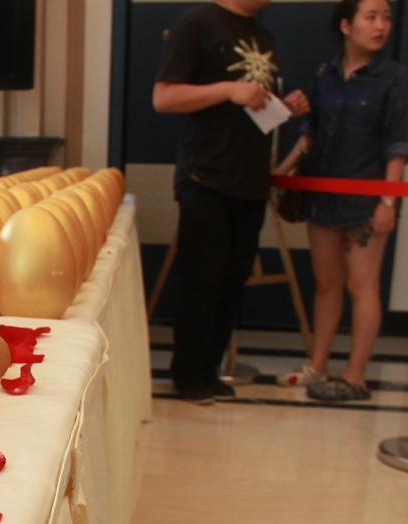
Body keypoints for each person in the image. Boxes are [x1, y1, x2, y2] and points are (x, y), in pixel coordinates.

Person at [153, 0, 310, 403]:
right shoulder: (196, 23)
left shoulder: (264, 34)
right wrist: (228, 89)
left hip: (251, 180)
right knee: (203, 280)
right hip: (206, 177)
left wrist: (283, 108)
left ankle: (209, 371)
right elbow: (164, 98)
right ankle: (188, 374)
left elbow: (253, 108)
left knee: (232, 282)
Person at [275, 0, 408, 401]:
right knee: (326, 282)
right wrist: (282, 171)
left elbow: (398, 144)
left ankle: (356, 375)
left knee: (362, 285)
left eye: (386, 18)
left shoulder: (393, 77)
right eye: (371, 17)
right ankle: (317, 365)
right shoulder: (326, 73)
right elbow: (311, 131)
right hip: (322, 193)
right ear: (346, 25)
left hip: (366, 196)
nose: (381, 25)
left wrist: (388, 200)